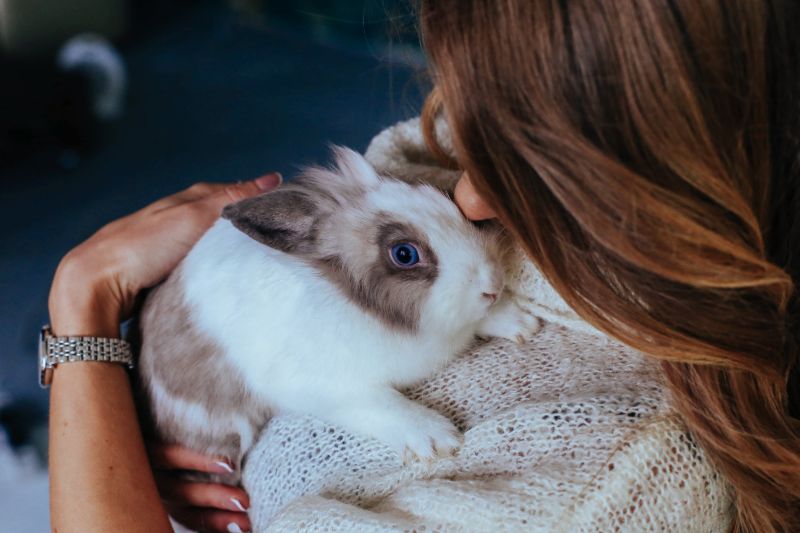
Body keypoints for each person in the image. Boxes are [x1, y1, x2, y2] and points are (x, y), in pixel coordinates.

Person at [47, 0, 800, 532]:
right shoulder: (467, 179)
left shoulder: (600, 488)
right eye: (479, 121)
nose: (468, 191)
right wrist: (120, 412)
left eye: (535, 155)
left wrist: (82, 310)